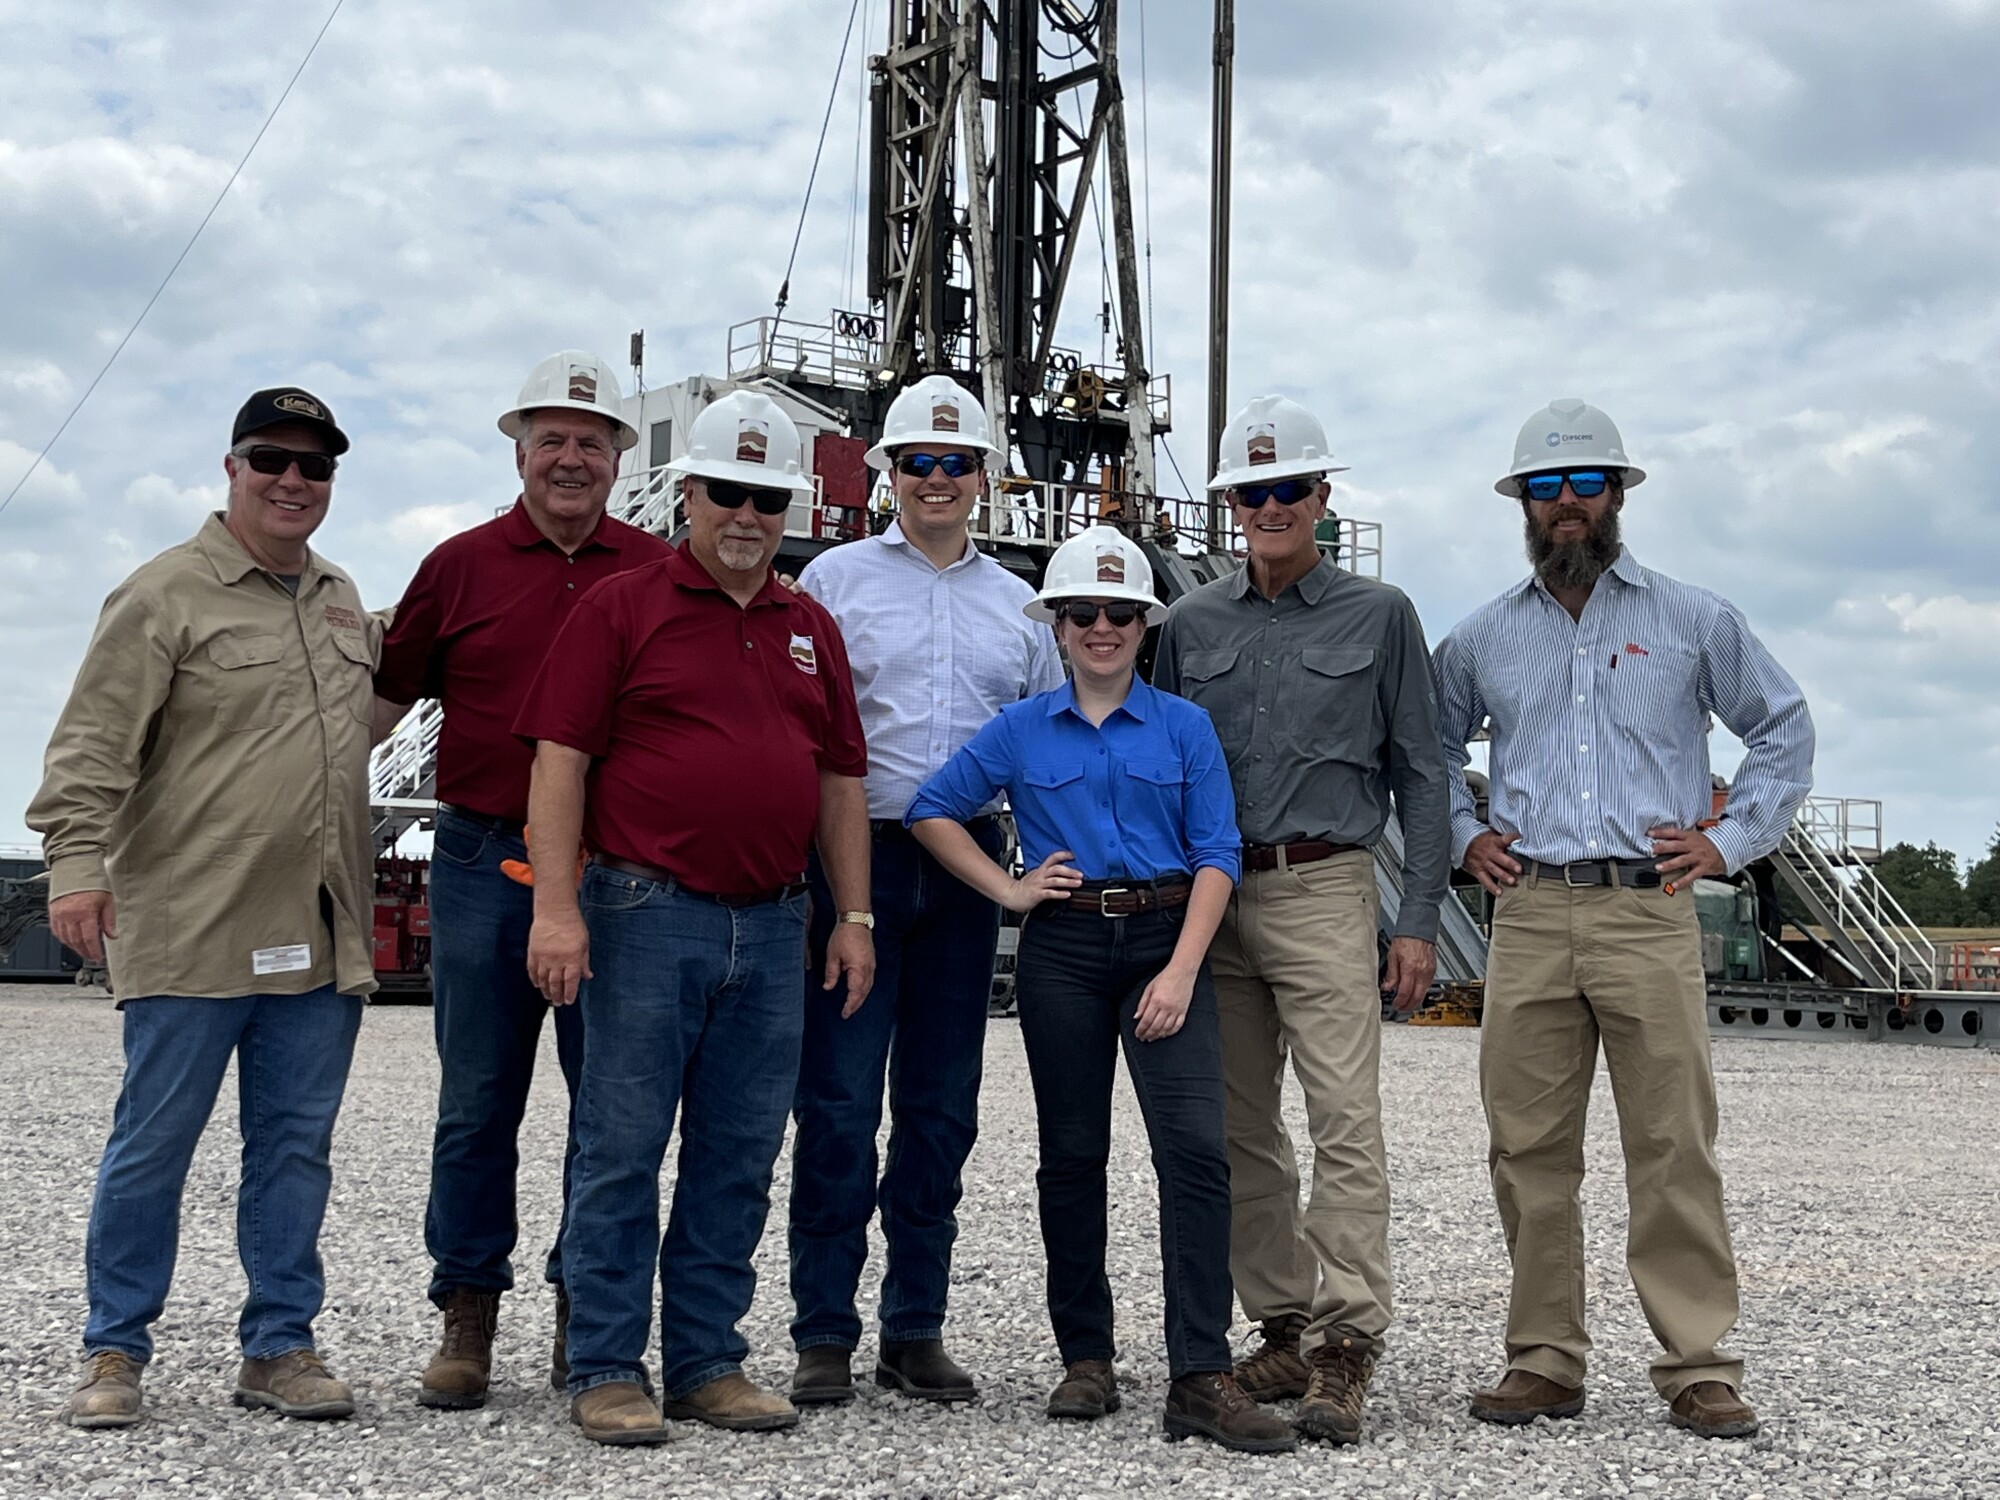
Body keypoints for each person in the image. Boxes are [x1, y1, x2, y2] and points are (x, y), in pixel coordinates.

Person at [1434, 398, 1814, 1439]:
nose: (1565, 504)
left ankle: (1696, 1364)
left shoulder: (1693, 621)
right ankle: (1544, 1360)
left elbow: (1779, 729)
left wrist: (1728, 844)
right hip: (1529, 912)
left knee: (1670, 1141)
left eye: (1583, 483)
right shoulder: (1480, 637)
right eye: (1545, 487)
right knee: (1524, 1147)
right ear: (1521, 502)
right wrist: (1466, 836)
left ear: (1615, 493)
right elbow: (1421, 750)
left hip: (1646, 913)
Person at [513, 391, 875, 1446]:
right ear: (689, 495)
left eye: (768, 497)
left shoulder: (809, 627)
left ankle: (708, 1359)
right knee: (620, 1146)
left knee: (737, 1150)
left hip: (773, 925)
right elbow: (560, 764)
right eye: (729, 493)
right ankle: (608, 1365)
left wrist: (849, 912)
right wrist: (555, 908)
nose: (748, 515)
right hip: (641, 911)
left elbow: (840, 781)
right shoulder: (622, 606)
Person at [30, 388, 379, 1428]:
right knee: (153, 1143)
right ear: (231, 468)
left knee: (291, 1149)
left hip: (316, 932)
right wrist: (76, 865)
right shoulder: (162, 596)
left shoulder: (338, 597)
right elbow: (91, 745)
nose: (292, 481)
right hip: (190, 925)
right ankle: (113, 1351)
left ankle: (278, 1345)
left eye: (314, 467)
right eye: (271, 459)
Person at [908, 526, 1294, 1455]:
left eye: (1120, 611)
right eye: (1081, 612)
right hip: (1067, 950)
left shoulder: (1183, 726)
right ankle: (1086, 1358)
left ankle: (1200, 1374)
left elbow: (1216, 854)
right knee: (1072, 1157)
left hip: (1169, 940)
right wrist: (1009, 890)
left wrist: (1182, 969)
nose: (1101, 627)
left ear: (1143, 624)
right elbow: (930, 808)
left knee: (1197, 1155)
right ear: (1057, 625)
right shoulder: (1019, 730)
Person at [371, 351, 671, 1408]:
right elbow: (385, 701)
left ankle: (581, 1311)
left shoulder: (651, 570)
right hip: (481, 861)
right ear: (518, 449)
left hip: (615, 875)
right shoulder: (457, 566)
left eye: (592, 441)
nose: (571, 457)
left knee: (613, 1110)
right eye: (552, 438)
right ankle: (467, 1314)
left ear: (620, 458)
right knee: (477, 1101)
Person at [1152, 395, 1452, 1444]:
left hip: (1327, 887)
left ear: (1324, 498)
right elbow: (1156, 766)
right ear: (1229, 503)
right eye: (1252, 491)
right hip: (1214, 893)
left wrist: (1414, 918)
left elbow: (1421, 772)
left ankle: (1345, 1343)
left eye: (1291, 489)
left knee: (1343, 1121)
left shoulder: (1379, 616)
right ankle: (1282, 1325)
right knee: (1236, 1130)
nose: (1270, 506)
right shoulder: (1188, 627)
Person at [786, 376, 1063, 1406]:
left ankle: (913, 1327)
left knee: (941, 1108)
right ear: (886, 476)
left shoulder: (1018, 606)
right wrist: (828, 893)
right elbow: (811, 738)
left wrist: (1039, 873)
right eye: (917, 463)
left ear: (985, 479)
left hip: (967, 872)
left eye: (955, 464)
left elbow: (1042, 747)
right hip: (855, 856)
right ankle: (822, 1329)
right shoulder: (835, 583)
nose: (936, 480)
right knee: (840, 1101)